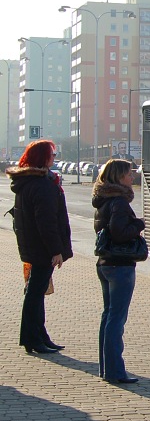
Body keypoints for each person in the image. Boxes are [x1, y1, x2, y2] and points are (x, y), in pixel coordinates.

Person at [7, 140, 73, 354]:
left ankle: (39, 336)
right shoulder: (42, 185)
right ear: (42, 158)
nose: (55, 157)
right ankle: (31, 339)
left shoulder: (30, 182)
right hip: (42, 248)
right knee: (35, 294)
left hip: (33, 246)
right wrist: (56, 250)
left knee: (35, 292)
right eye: (52, 154)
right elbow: (46, 222)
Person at [93, 159, 145, 384]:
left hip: (105, 263)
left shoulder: (103, 200)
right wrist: (139, 225)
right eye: (128, 174)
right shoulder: (120, 202)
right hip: (120, 266)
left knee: (108, 315)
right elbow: (120, 232)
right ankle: (115, 371)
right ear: (118, 177)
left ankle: (106, 368)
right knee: (116, 318)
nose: (132, 177)